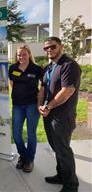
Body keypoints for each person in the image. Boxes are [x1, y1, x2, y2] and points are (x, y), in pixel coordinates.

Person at [38, 37, 81, 192]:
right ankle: (61, 175)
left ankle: (71, 185)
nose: (49, 50)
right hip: (49, 114)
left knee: (63, 150)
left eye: (52, 47)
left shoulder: (69, 65)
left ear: (61, 47)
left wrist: (48, 106)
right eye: (46, 48)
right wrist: (40, 105)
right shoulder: (49, 67)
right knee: (56, 148)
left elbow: (67, 91)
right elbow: (43, 88)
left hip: (63, 116)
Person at [8, 45, 43, 173]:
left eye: (23, 54)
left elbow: (43, 86)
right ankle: (23, 156)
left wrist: (40, 101)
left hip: (32, 105)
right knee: (16, 134)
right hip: (17, 105)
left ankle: (29, 160)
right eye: (19, 55)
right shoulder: (12, 68)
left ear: (29, 54)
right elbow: (12, 84)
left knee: (31, 134)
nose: (21, 57)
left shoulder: (37, 69)